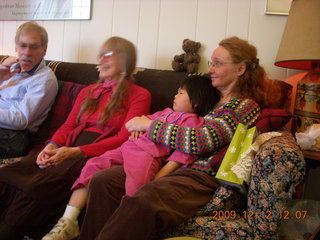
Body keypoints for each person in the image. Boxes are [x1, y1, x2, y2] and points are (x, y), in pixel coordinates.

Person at [78, 36, 269, 240]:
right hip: (170, 163)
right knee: (102, 180)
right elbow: (177, 119)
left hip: (199, 177)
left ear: (240, 69)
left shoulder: (244, 106)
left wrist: (150, 126)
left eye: (218, 63)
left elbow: (202, 140)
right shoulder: (209, 95)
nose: (210, 68)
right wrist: (144, 127)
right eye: (211, 63)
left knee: (145, 199)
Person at [0, 36, 151, 240]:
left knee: (37, 187)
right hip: (67, 144)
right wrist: (51, 146)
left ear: (126, 60)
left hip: (94, 152)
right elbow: (68, 125)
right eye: (100, 54)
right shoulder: (89, 91)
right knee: (9, 174)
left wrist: (76, 152)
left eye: (108, 54)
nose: (101, 59)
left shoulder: (140, 94)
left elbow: (124, 138)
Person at [42, 74, 221, 240]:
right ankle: (69, 219)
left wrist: (159, 176)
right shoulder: (164, 113)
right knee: (93, 165)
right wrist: (137, 128)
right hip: (128, 147)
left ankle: (122, 223)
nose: (175, 95)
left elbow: (184, 153)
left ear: (196, 103)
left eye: (181, 92)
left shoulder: (193, 123)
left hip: (147, 155)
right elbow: (134, 123)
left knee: (136, 188)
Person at [0, 21, 58, 159]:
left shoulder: (45, 79)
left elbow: (22, 120)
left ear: (44, 50)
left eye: (34, 47)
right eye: (23, 46)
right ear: (16, 47)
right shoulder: (10, 68)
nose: (27, 52)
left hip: (13, 137)